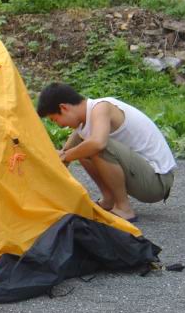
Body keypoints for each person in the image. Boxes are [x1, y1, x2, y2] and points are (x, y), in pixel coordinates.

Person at [37, 82, 176, 223]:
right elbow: (64, 156)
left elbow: (97, 144)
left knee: (96, 145)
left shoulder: (102, 108)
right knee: (83, 147)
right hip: (142, 176)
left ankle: (124, 208)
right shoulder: (85, 123)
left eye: (55, 119)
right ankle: (109, 200)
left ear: (64, 108)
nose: (59, 125)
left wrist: (65, 156)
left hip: (157, 182)